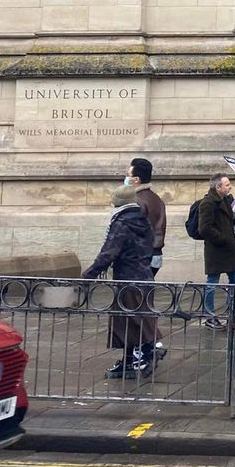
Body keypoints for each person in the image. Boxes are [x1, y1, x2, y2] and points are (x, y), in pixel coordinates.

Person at [83, 184, 160, 379]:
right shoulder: (143, 220)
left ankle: (150, 351)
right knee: (127, 322)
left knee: (135, 321)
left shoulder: (122, 222)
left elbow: (109, 252)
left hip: (128, 279)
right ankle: (128, 360)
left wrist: (89, 275)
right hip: (144, 276)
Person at [198, 173, 235, 330]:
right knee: (212, 282)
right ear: (218, 187)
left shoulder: (226, 200)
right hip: (217, 249)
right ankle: (209, 315)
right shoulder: (208, 203)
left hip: (229, 249)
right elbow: (204, 228)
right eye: (227, 184)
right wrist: (223, 238)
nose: (230, 187)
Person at [127, 158, 166, 279]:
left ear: (136, 179)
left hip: (142, 256)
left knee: (135, 294)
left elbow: (132, 232)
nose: (126, 178)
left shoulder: (136, 200)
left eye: (128, 175)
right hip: (155, 254)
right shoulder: (157, 199)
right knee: (146, 291)